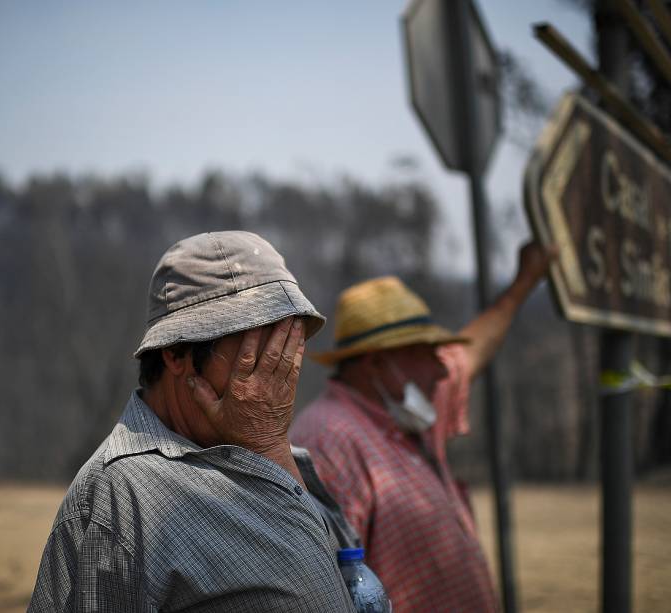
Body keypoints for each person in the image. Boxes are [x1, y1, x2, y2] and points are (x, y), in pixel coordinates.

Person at [29, 231, 358, 612]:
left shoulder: (281, 453)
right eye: (260, 349)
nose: (282, 366)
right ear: (176, 352)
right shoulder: (118, 498)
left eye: (288, 343)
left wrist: (271, 447)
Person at [290, 241, 556, 613]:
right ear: (377, 363)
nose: (442, 369)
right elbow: (329, 591)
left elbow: (471, 353)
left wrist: (525, 281)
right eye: (425, 354)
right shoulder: (329, 441)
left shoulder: (408, 411)